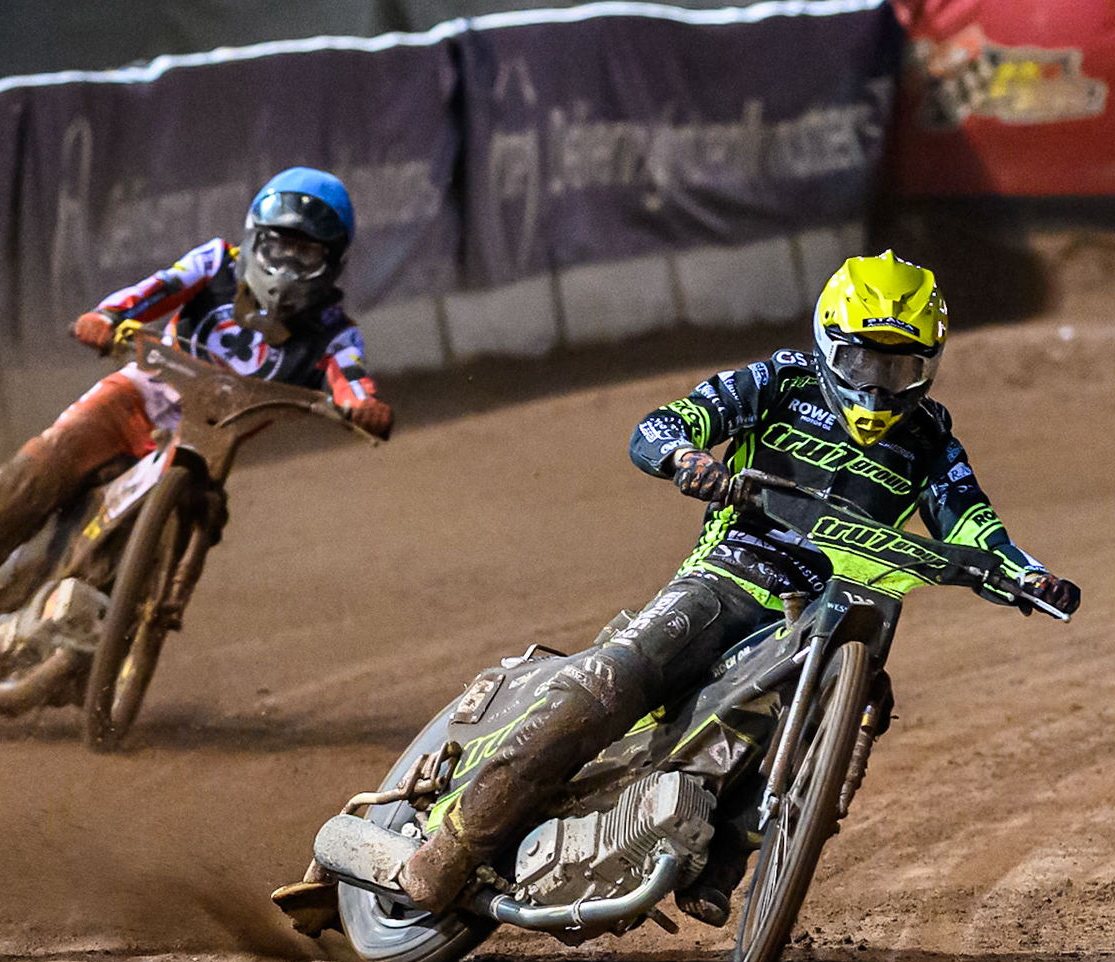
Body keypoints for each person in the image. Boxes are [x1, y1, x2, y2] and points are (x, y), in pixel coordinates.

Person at [389, 251, 1080, 925]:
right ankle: (452, 844)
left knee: (863, 707)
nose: (876, 387)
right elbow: (663, 424)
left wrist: (1026, 574)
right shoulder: (781, 380)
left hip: (833, 613)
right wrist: (685, 457)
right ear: (827, 344)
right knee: (613, 679)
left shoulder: (932, 441)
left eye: (898, 367)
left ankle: (726, 857)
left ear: (926, 368)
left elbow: (975, 526)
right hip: (732, 576)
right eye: (861, 362)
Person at [0, 166, 393, 701]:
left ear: (332, 263)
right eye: (279, 247)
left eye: (307, 253)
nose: (288, 264)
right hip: (130, 401)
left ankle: (64, 653)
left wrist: (362, 407)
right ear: (254, 240)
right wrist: (107, 317)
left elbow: (350, 381)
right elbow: (156, 289)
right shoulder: (216, 263)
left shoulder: (334, 331)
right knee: (12, 493)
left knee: (86, 555)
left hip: (205, 448)